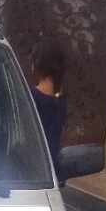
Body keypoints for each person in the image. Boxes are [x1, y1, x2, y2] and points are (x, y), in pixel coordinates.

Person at [30, 41, 67, 171]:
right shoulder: (60, 101)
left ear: (36, 64)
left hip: (30, 168)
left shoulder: (29, 98)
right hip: (49, 171)